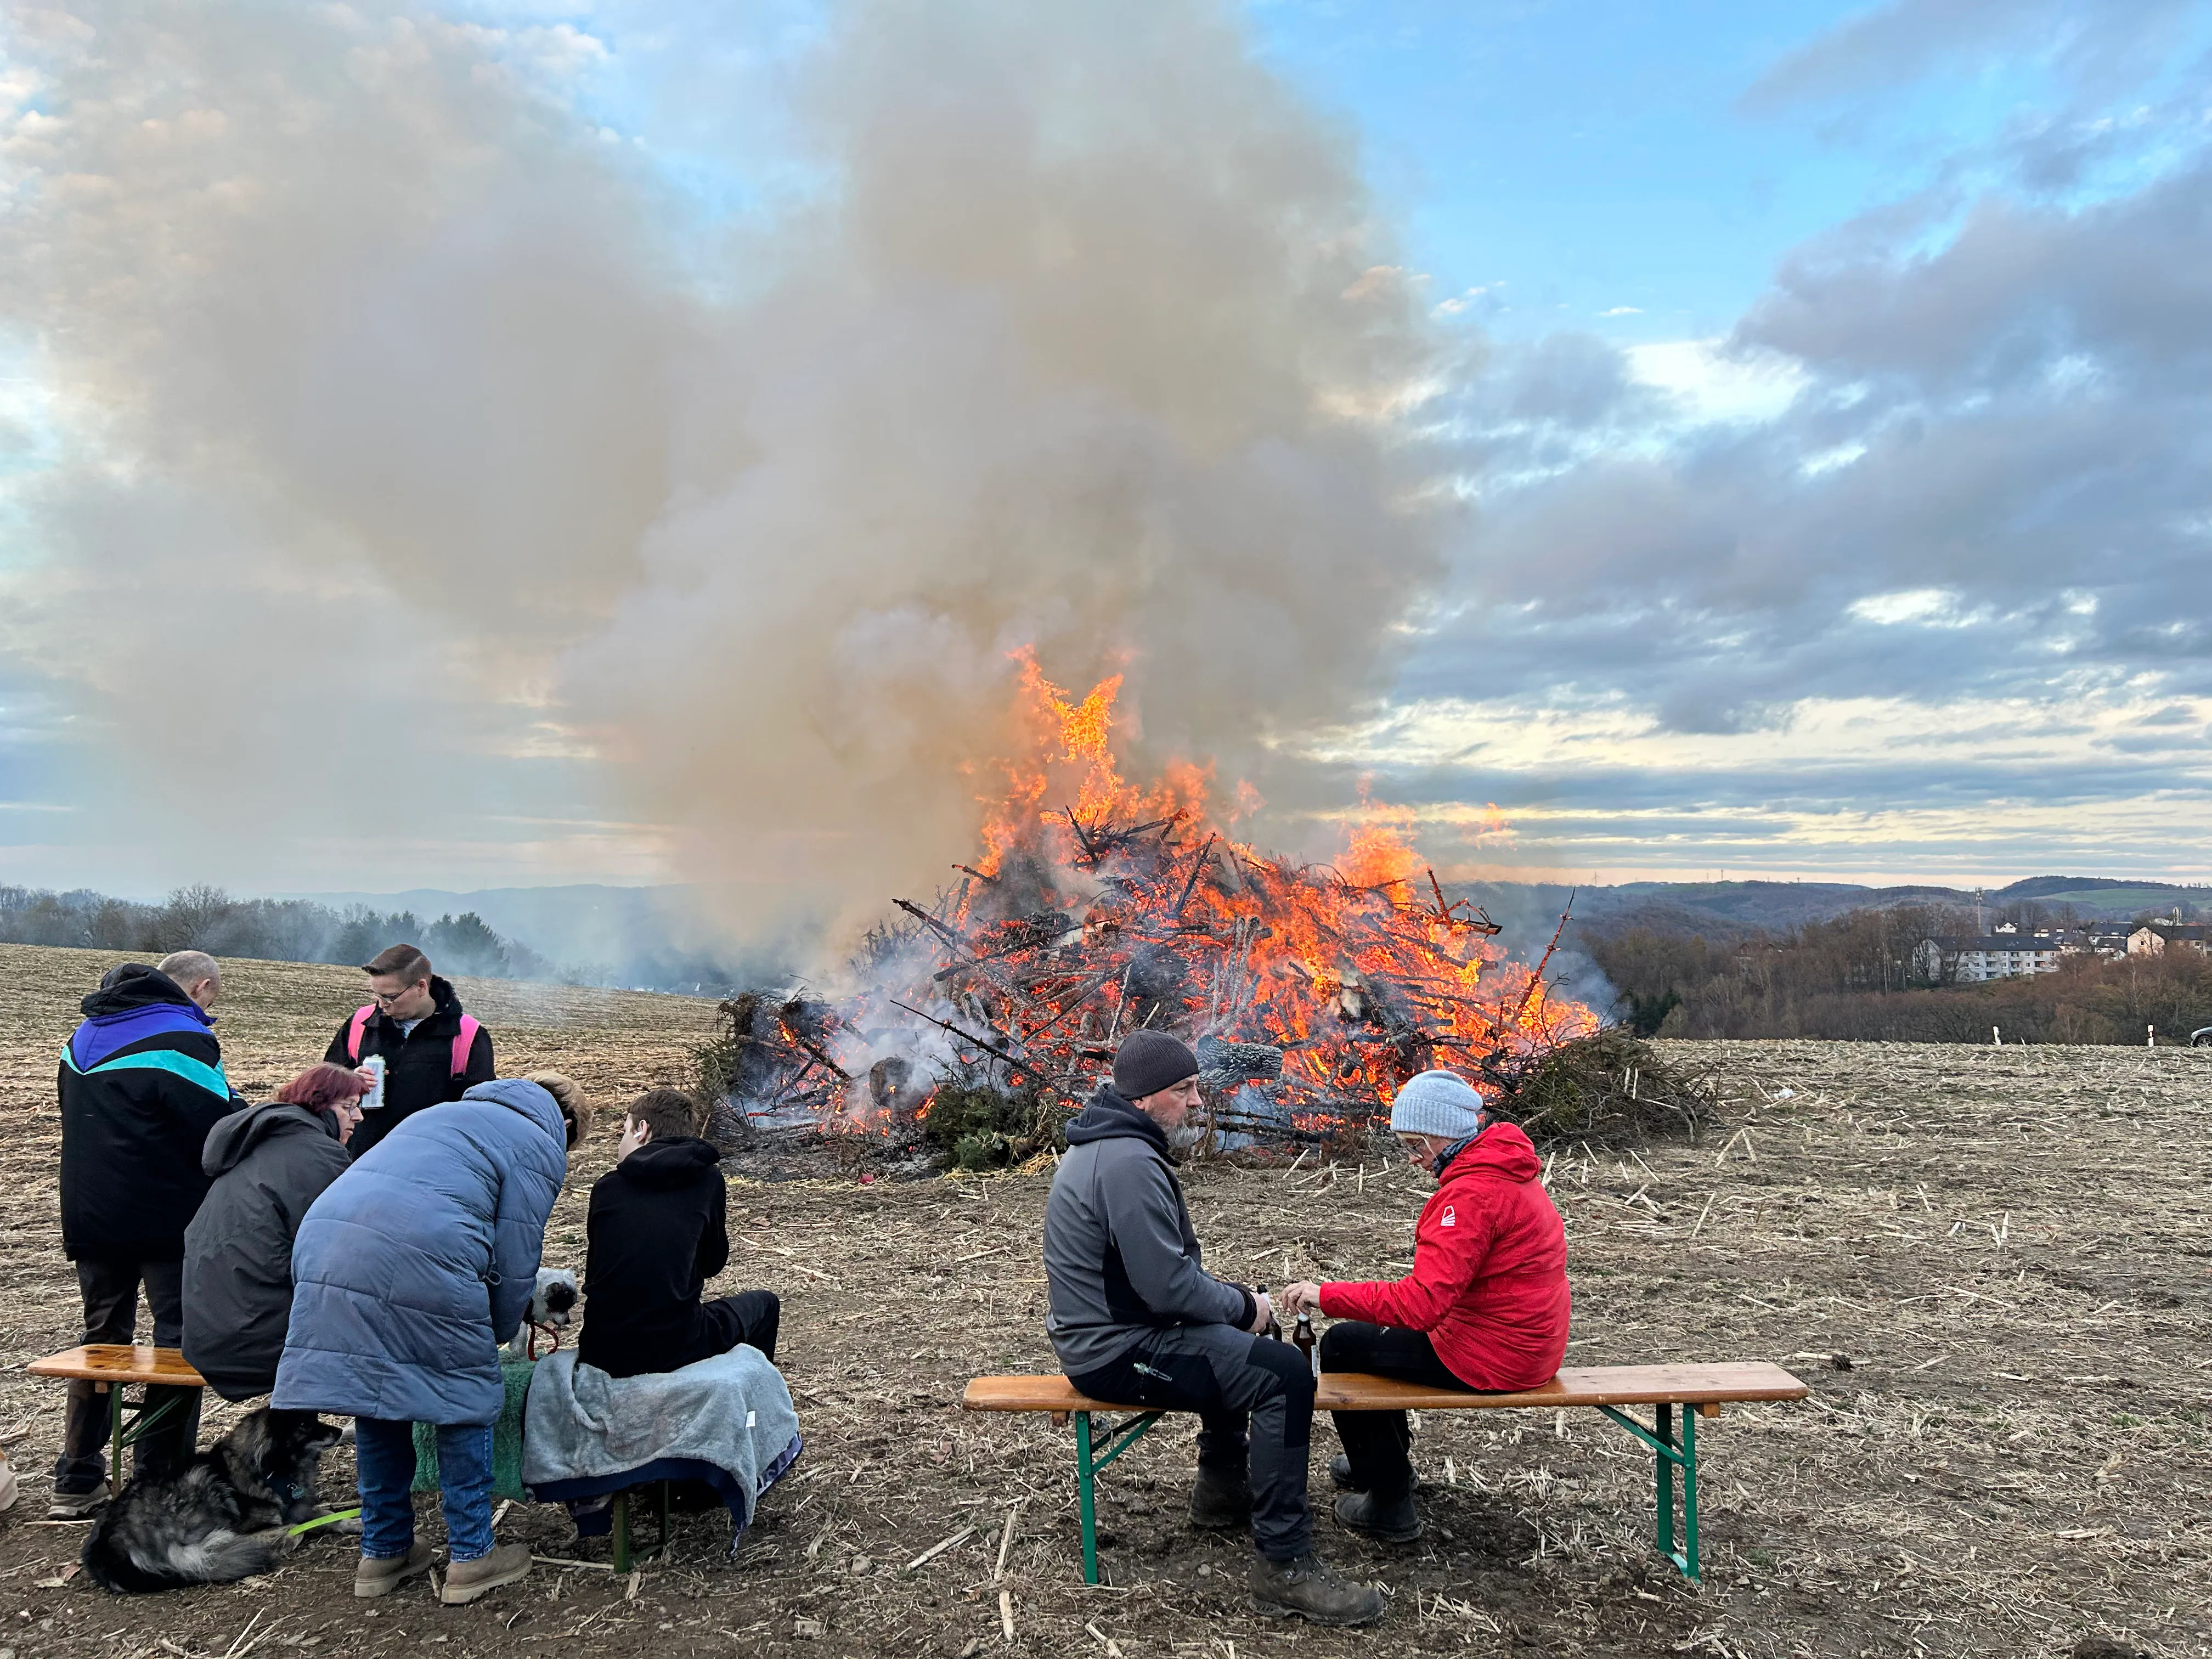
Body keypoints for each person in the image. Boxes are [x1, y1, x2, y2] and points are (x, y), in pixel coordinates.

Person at [1042, 1031, 1383, 1627]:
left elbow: (1165, 1280)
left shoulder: (1118, 1147)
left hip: (1124, 1332)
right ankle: (1285, 1565)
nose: (1198, 1102)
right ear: (1146, 1099)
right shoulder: (1124, 1163)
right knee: (1280, 1375)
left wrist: (1236, 1304)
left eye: (1196, 1086)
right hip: (1114, 1351)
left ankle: (1223, 1490)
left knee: (1247, 1344)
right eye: (1184, 1090)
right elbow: (1168, 1288)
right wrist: (1240, 1307)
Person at [273, 1072, 588, 1606]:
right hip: (421, 1252)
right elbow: (516, 1257)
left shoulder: (440, 1114)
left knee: (377, 1397)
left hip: (326, 1241)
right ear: (566, 1123)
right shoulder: (540, 1138)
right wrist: (494, 1333)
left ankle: (384, 1550)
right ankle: (471, 1556)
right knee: (463, 1399)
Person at [1282, 1070, 1570, 1544]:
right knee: (1368, 1344)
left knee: (1340, 1347)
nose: (1414, 1160)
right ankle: (1385, 1462)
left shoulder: (1472, 1195)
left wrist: (1327, 1295)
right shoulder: (1506, 1170)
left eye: (1416, 1145)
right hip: (1529, 1345)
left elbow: (1422, 1306)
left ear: (1446, 1133)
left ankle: (1389, 1498)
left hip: (1493, 1357)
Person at [51, 951, 239, 1518]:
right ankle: (160, 1476)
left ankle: (77, 1474)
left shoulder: (84, 1035)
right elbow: (217, 1128)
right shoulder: (182, 1041)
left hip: (89, 1214)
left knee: (101, 1336)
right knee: (181, 1340)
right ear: (201, 988)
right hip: (165, 1219)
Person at [182, 1064, 368, 1415]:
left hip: (210, 1328)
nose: (358, 1117)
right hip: (255, 1336)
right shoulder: (316, 1155)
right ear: (319, 1104)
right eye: (348, 1107)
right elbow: (340, 1253)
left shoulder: (261, 1145)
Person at [577, 1088, 779, 1379]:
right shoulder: (708, 1179)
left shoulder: (607, 1187)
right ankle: (755, 1406)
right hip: (676, 1347)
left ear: (642, 1130)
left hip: (601, 1349)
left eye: (624, 1131)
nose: (620, 1143)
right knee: (766, 1304)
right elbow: (712, 1264)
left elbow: (598, 1272)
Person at [323, 944, 495, 1158]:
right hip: (358, 1162)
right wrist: (350, 1081)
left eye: (390, 997)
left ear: (422, 987)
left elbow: (480, 1114)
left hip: (430, 1164)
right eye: (377, 996)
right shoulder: (360, 1023)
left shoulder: (469, 1036)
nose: (382, 1005)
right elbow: (324, 1086)